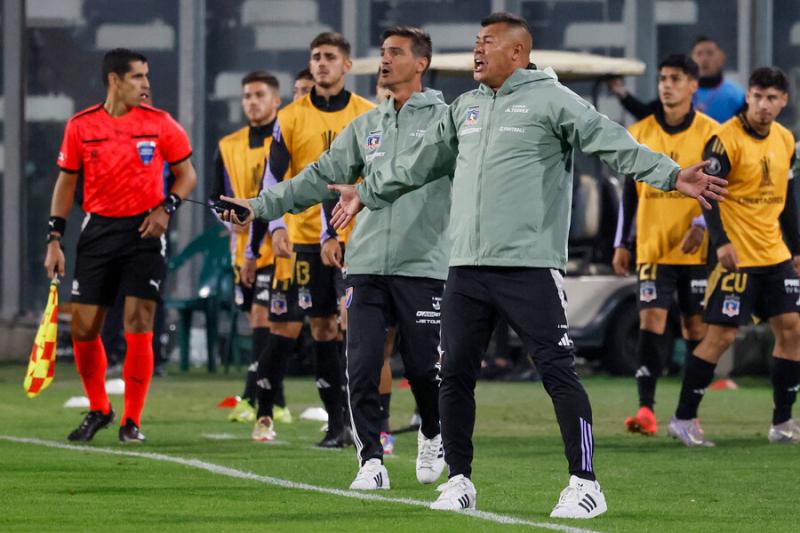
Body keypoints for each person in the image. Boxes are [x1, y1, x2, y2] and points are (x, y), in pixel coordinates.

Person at [325, 12, 725, 519]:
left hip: (529, 266)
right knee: (453, 376)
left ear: (517, 52)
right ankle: (459, 480)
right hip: (465, 267)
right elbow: (416, 163)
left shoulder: (552, 99)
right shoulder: (465, 107)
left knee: (557, 371)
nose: (477, 50)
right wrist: (366, 192)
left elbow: (613, 141)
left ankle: (586, 483)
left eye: (487, 42)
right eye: (476, 41)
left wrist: (670, 175)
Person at [221, 26, 450, 490]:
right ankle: (370, 461)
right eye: (383, 52)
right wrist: (257, 206)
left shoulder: (446, 121)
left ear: (421, 63)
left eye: (396, 52)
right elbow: (316, 177)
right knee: (361, 365)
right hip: (364, 263)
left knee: (424, 369)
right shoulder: (366, 126)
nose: (385, 59)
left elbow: (422, 173)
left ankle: (432, 430)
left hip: (422, 263)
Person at [44, 48, 197, 443]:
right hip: (97, 231)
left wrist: (167, 208)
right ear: (114, 80)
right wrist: (55, 239)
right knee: (83, 328)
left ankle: (132, 420)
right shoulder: (81, 126)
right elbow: (65, 183)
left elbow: (187, 175)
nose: (146, 84)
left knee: (138, 323)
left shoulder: (161, 124)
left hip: (145, 232)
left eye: (146, 76)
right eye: (137, 77)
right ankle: (100, 409)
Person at [242, 32, 374, 447]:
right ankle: (337, 423)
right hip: (306, 240)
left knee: (358, 327)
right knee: (321, 326)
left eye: (330, 56)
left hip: (359, 237)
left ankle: (368, 420)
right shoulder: (290, 117)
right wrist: (276, 226)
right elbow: (272, 176)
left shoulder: (368, 114)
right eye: (316, 56)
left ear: (347, 65)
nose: (321, 63)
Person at [668, 67, 800, 446]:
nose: (763, 105)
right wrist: (721, 242)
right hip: (737, 257)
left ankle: (782, 422)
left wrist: (797, 248)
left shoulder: (785, 139)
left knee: (792, 330)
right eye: (757, 96)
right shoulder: (724, 141)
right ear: (748, 97)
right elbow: (707, 193)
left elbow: (788, 199)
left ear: (783, 100)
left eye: (771, 98)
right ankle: (683, 419)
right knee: (721, 337)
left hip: (774, 254)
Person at [612, 55, 719, 435]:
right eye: (662, 79)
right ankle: (646, 409)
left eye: (675, 78)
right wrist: (621, 243)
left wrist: (702, 224)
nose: (667, 85)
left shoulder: (711, 133)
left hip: (695, 250)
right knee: (651, 319)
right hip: (653, 247)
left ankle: (688, 412)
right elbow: (629, 192)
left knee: (695, 328)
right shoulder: (640, 131)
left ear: (693, 85)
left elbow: (721, 188)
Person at [208, 71, 290, 428]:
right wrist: (230, 220)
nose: (252, 102)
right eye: (247, 96)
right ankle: (275, 400)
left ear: (276, 100)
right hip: (243, 248)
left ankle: (254, 398)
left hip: (281, 247)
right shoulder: (228, 145)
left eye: (259, 95)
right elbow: (215, 197)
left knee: (266, 318)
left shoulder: (286, 139)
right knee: (260, 322)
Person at [609, 36, 745, 123]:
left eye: (710, 53)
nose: (704, 59)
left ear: (722, 58)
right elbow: (648, 114)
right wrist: (623, 94)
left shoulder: (736, 95)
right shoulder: (679, 89)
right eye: (699, 54)